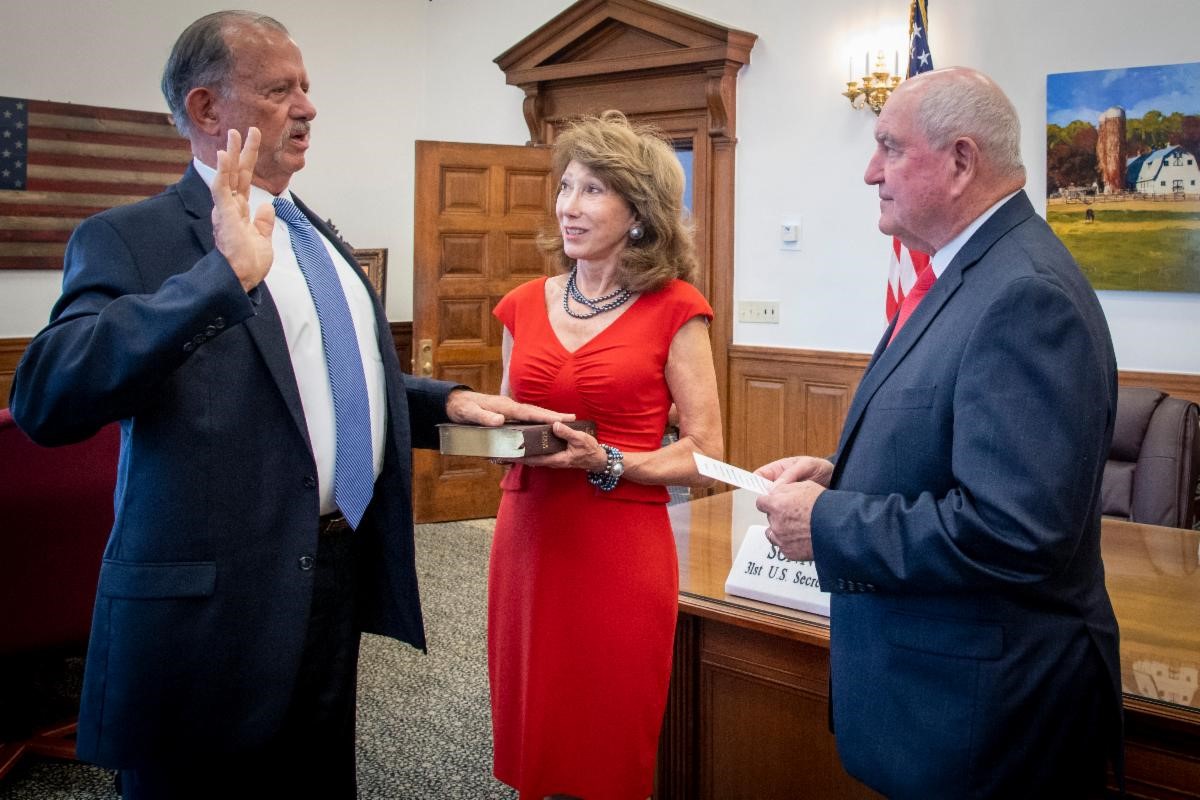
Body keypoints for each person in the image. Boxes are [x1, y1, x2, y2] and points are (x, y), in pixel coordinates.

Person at [7, 11, 567, 799]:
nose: (307, 107)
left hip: (329, 575)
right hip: (210, 611)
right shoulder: (130, 239)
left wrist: (453, 402)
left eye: (306, 87)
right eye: (279, 90)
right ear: (206, 111)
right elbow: (46, 397)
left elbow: (325, 383)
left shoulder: (319, 238)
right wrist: (219, 278)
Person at [754, 67, 1122, 798]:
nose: (869, 171)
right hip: (942, 698)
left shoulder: (1023, 293)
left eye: (889, 147)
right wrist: (840, 476)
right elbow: (954, 444)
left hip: (991, 717)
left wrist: (829, 523)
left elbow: (1014, 530)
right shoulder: (963, 272)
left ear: (960, 161)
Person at [487, 111, 723, 799]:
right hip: (529, 539)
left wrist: (608, 461)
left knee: (607, 733)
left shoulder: (677, 309)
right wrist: (493, 439)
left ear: (639, 210)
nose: (569, 205)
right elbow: (507, 425)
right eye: (565, 187)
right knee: (538, 728)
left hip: (620, 543)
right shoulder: (521, 305)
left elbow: (706, 453)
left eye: (592, 190)